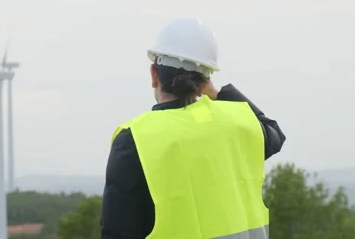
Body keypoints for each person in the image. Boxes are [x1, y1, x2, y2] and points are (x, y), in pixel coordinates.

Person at [101, 18, 286, 239]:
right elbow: (274, 133)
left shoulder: (135, 138)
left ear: (154, 74)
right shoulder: (238, 123)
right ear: (205, 80)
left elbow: (118, 230)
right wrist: (217, 94)